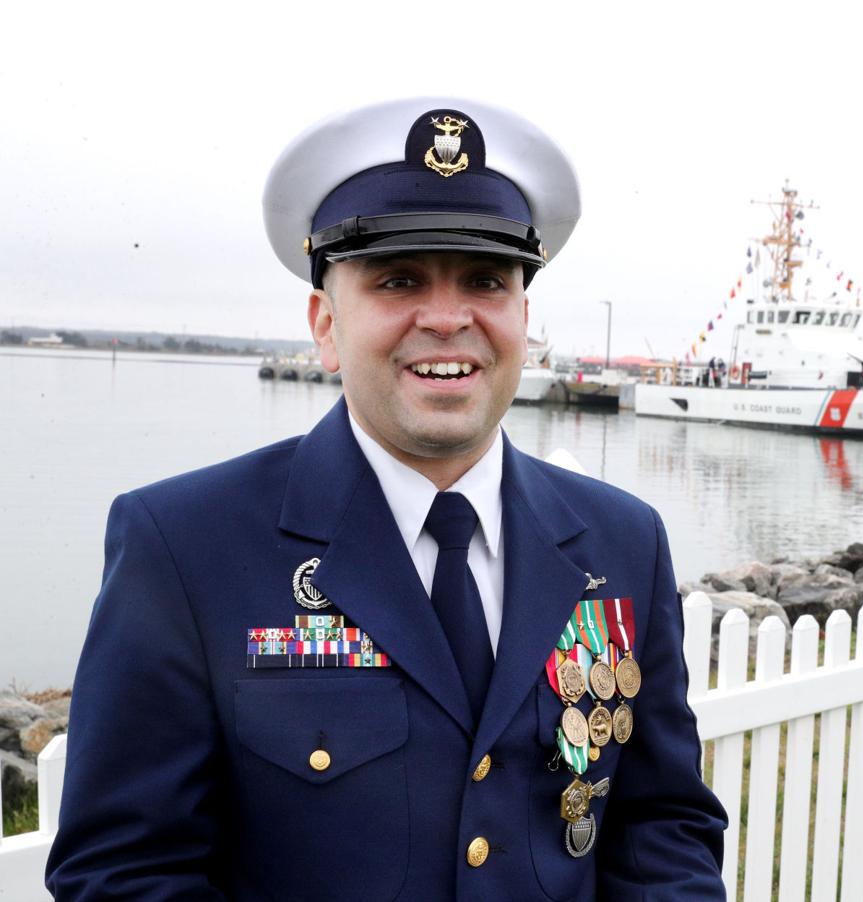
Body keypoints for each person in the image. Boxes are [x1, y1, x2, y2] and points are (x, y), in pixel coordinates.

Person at [46, 98, 727, 900]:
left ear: (523, 317)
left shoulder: (623, 542)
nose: (447, 319)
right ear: (325, 326)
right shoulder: (185, 547)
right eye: (398, 280)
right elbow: (122, 872)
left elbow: (661, 827)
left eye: (485, 280)